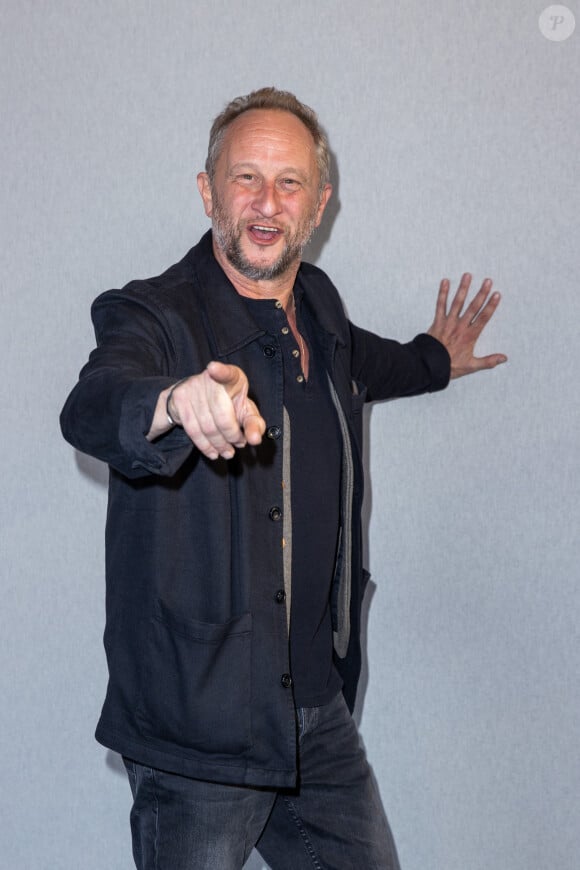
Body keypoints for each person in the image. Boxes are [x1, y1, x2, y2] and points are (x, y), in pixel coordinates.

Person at [60, 87, 507, 870]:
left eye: (289, 183)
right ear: (208, 191)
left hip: (314, 715)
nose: (267, 203)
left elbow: (364, 362)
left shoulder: (320, 307)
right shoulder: (154, 316)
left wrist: (436, 360)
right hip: (196, 732)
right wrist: (174, 401)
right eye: (246, 179)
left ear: (319, 204)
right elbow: (93, 405)